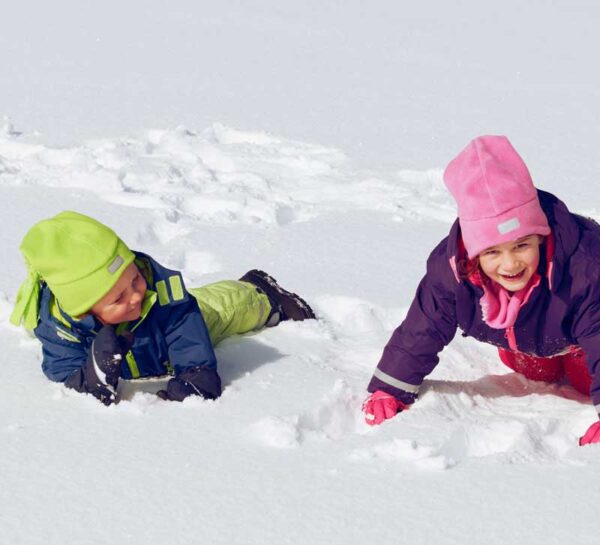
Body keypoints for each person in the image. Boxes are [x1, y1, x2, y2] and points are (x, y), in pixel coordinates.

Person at [362, 135, 600, 446]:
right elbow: (422, 329)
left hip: (583, 335)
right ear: (473, 253)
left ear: (540, 238)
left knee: (583, 384)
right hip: (528, 335)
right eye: (492, 252)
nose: (510, 263)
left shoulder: (584, 269)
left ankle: (570, 354)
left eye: (522, 245)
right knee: (536, 371)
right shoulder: (451, 273)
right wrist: (390, 389)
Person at [10, 211, 315, 405]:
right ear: (82, 311)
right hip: (136, 359)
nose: (134, 297)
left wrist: (196, 374)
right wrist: (94, 370)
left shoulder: (159, 292)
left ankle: (262, 292)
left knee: (223, 310)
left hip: (169, 336)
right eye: (118, 299)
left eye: (134, 279)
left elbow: (187, 332)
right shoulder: (59, 327)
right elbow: (62, 371)